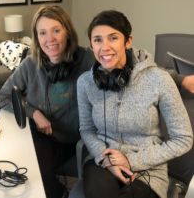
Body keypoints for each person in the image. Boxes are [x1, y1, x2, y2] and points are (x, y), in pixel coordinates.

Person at [76, 10, 193, 198]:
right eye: (97, 40)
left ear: (128, 41)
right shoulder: (85, 82)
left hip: (149, 169)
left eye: (113, 38)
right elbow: (87, 129)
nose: (104, 47)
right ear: (91, 45)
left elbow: (183, 139)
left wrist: (131, 161)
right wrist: (107, 159)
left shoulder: (158, 79)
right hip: (104, 162)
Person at [0, 5, 94, 198]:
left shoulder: (87, 60)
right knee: (15, 167)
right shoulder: (30, 65)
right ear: (37, 37)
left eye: (56, 30)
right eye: (42, 33)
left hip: (70, 140)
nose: (50, 39)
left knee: (36, 171)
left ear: (67, 32)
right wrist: (33, 112)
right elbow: (3, 98)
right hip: (38, 136)